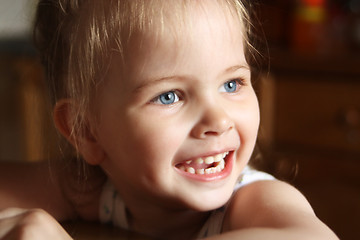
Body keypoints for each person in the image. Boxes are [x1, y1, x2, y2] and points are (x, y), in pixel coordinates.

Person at [0, 0, 339, 239]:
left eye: (231, 84)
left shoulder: (253, 200)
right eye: (169, 96)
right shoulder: (93, 188)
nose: (219, 120)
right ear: (87, 130)